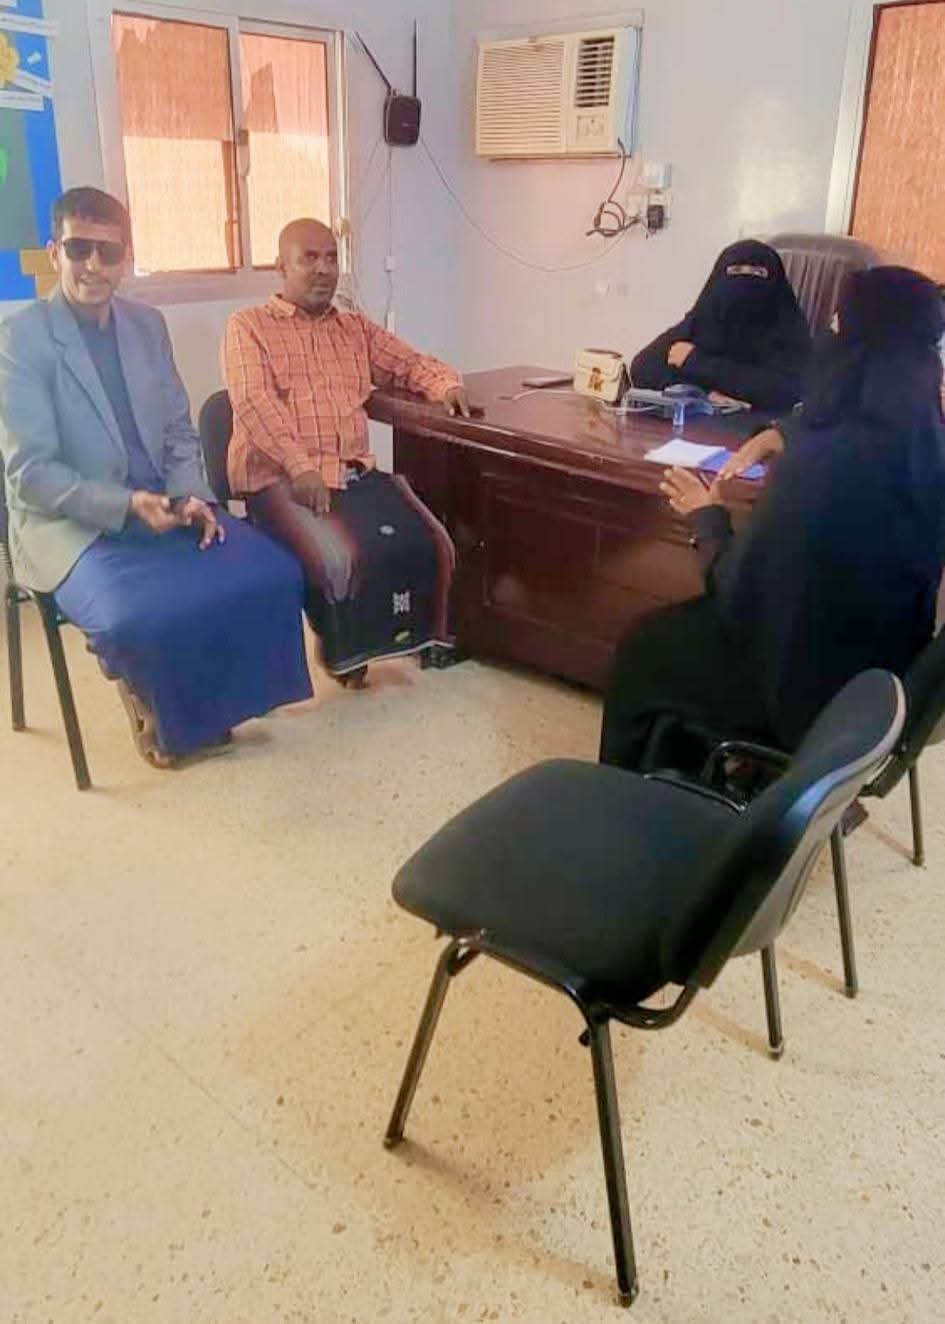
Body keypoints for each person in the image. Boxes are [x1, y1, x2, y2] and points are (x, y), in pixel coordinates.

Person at [0, 187, 312, 768]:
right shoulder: (21, 339)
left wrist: (190, 496)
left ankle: (216, 702)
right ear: (54, 251)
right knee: (138, 615)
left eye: (109, 252)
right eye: (79, 248)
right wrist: (126, 505)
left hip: (163, 503)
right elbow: (29, 474)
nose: (94, 265)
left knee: (272, 572)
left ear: (126, 258)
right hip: (71, 525)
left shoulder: (147, 325)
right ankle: (155, 704)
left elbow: (177, 431)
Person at [600, 265, 945, 772]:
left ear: (855, 351)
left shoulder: (819, 470)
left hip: (802, 693)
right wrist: (784, 431)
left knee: (644, 649)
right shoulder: (927, 440)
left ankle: (638, 798)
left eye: (836, 325)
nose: (826, 335)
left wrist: (707, 516)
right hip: (879, 681)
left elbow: (737, 592)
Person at [223, 219, 468, 686]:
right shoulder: (248, 327)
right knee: (338, 559)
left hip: (349, 471)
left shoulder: (353, 327)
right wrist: (300, 466)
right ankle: (346, 654)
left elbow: (408, 363)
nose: (323, 269)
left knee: (427, 540)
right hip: (279, 477)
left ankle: (400, 640)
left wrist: (446, 385)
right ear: (281, 267)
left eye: (331, 258)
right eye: (309, 258)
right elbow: (253, 402)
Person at [629, 239, 811, 412]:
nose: (745, 279)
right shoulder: (704, 320)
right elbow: (642, 367)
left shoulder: (788, 331)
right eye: (735, 270)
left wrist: (698, 363)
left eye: (758, 273)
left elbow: (792, 390)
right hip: (702, 426)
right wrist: (702, 394)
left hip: (761, 428)